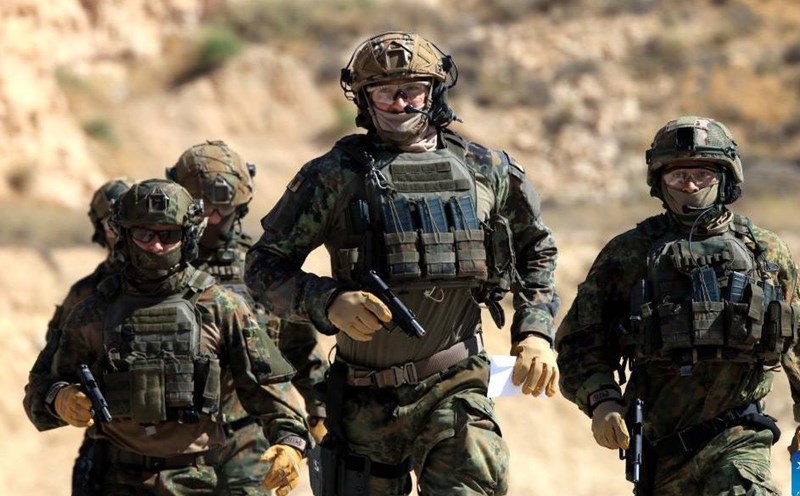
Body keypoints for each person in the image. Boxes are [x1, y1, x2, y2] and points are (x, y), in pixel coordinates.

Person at [245, 31, 559, 495]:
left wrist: (534, 331)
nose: (399, 103)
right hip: (363, 399)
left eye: (411, 90)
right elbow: (263, 267)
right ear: (364, 98)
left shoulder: (484, 168)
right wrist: (327, 301)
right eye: (384, 92)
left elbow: (536, 248)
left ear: (434, 92)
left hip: (457, 384)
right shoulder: (335, 174)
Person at [555, 115, 800, 495]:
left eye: (702, 174)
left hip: (740, 438)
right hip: (659, 448)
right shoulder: (629, 253)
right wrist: (602, 400)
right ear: (659, 181)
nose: (689, 185)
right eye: (677, 175)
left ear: (725, 178)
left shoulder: (765, 251)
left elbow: (796, 341)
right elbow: (578, 344)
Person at [30, 179, 309, 495]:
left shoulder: (220, 306)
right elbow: (42, 384)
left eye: (168, 235)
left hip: (199, 478)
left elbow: (266, 384)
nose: (156, 246)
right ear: (125, 236)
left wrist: (290, 440)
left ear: (188, 236)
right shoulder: (92, 311)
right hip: (116, 479)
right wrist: (61, 398)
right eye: (144, 234)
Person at [166, 140, 329, 490]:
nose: (212, 219)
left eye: (222, 210)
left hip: (250, 435)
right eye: (202, 208)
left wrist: (319, 408)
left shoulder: (261, 271)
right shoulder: (156, 269)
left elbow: (298, 348)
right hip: (172, 442)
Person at [22, 177, 134, 494]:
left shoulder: (194, 286)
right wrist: (60, 398)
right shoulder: (86, 296)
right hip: (113, 460)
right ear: (101, 230)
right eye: (115, 222)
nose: (126, 231)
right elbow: (42, 382)